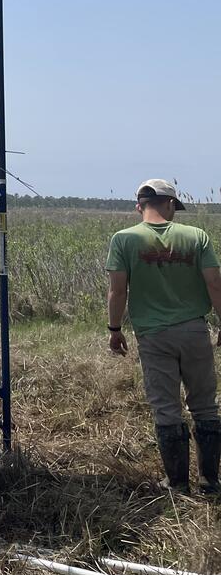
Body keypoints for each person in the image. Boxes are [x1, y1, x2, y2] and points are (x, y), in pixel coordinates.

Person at [106, 178, 221, 493]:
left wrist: (114, 330)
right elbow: (214, 283)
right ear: (170, 204)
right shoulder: (196, 236)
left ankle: (177, 483)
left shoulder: (124, 239)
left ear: (139, 205)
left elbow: (117, 291)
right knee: (205, 405)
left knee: (166, 408)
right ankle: (210, 481)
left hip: (154, 335)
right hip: (196, 331)